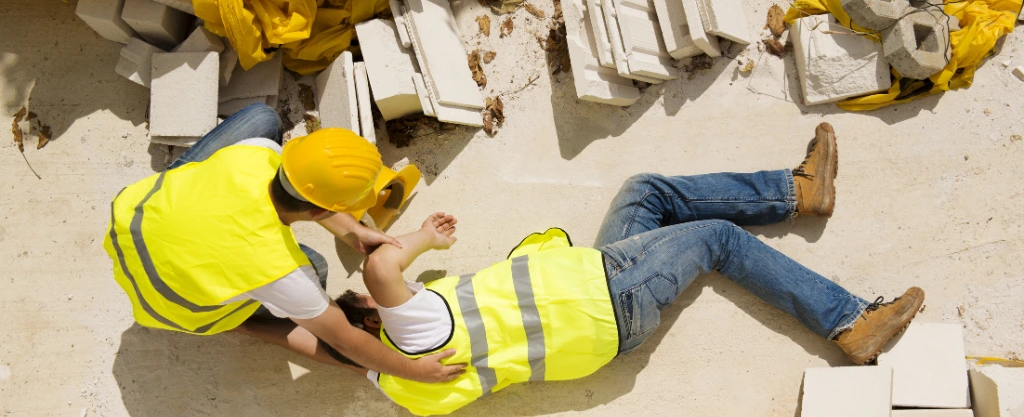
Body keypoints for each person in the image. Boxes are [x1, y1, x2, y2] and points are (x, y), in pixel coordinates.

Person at [334, 122, 925, 416]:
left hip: (600, 305)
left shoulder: (399, 387)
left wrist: (304, 329)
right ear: (372, 319)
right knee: (718, 239)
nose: (395, 292)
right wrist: (420, 239)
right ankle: (849, 322)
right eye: (368, 303)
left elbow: (330, 346)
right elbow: (383, 266)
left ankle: (799, 192)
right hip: (607, 294)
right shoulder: (414, 331)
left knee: (646, 192)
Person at [102, 103, 466, 383]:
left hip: (131, 222)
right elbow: (344, 341)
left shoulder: (257, 152)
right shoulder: (284, 272)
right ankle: (234, 319)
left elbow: (305, 194)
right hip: (170, 305)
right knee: (318, 270)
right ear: (323, 210)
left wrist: (352, 230)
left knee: (262, 117)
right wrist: (413, 370)